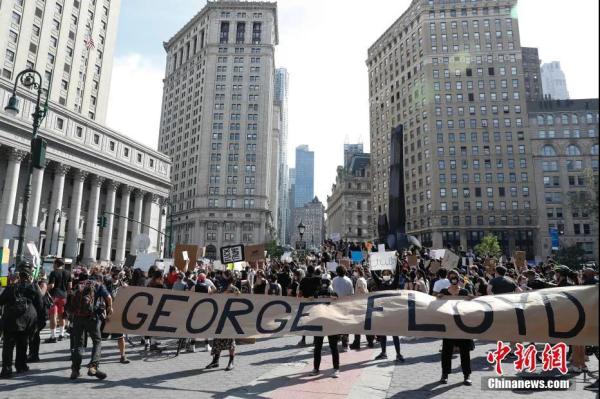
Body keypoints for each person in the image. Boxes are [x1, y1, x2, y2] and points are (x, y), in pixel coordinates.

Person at [67, 270, 113, 380]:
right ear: (100, 279)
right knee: (97, 341)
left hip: (78, 317)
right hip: (92, 318)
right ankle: (93, 367)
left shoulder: (80, 284)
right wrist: (109, 308)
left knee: (78, 344)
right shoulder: (99, 285)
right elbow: (109, 298)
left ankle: (75, 370)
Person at [0, 262, 44, 378]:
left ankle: (6, 369)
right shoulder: (33, 288)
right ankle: (21, 366)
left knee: (8, 346)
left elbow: (1, 301)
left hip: (11, 320)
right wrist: (40, 320)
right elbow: (40, 304)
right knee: (22, 343)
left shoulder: (12, 287)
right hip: (27, 320)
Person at [437, 269, 473, 386]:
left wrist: (470, 299)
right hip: (449, 326)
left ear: (458, 279)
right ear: (449, 279)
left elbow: (470, 308)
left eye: (455, 277)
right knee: (446, 352)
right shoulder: (444, 292)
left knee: (465, 352)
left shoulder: (464, 292)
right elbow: (435, 305)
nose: (454, 279)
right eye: (451, 277)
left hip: (462, 327)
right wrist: (438, 298)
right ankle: (445, 375)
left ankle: (466, 376)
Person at [371, 259, 405, 362]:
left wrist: (397, 261)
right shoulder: (380, 282)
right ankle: (383, 352)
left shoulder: (393, 283)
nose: (386, 274)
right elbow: (373, 273)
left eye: (388, 273)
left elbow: (398, 273)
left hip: (392, 312)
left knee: (395, 334)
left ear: (391, 274)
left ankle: (398, 354)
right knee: (382, 333)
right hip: (382, 311)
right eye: (384, 273)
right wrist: (371, 261)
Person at [206, 270, 239, 371]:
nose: (221, 278)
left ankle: (231, 362)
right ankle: (215, 361)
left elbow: (239, 298)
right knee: (217, 339)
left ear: (228, 278)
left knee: (230, 340)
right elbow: (211, 294)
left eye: (223, 276)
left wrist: (231, 292)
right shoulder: (220, 287)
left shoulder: (233, 288)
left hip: (229, 318)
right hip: (219, 317)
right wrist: (211, 292)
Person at [310, 273, 340, 378]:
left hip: (324, 323)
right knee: (330, 347)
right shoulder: (327, 294)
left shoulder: (330, 294)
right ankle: (333, 368)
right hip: (326, 323)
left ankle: (318, 368)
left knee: (321, 347)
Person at [45, 258, 72, 343]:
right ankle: (61, 334)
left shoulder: (54, 272)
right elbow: (70, 286)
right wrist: (66, 294)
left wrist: (45, 290)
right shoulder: (68, 273)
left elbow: (52, 285)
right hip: (63, 296)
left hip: (54, 296)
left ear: (56, 264)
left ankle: (53, 336)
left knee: (53, 315)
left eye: (54, 264)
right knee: (62, 315)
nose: (53, 265)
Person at [297, 265, 321, 346]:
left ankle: (303, 340)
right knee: (315, 321)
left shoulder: (304, 280)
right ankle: (315, 340)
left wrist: (297, 301)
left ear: (307, 271)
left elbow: (300, 293)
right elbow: (320, 291)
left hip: (305, 303)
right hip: (315, 304)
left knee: (305, 322)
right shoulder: (318, 280)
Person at [331, 265, 354, 351]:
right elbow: (351, 294)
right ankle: (345, 344)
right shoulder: (348, 280)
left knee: (337, 322)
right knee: (346, 323)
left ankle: (337, 339)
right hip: (346, 305)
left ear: (337, 272)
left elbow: (332, 291)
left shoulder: (334, 280)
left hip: (336, 304)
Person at [350, 266, 369, 350]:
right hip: (362, 303)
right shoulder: (363, 279)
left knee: (357, 324)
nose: (354, 272)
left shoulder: (360, 280)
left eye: (355, 271)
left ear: (358, 271)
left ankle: (357, 342)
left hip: (359, 303)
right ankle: (369, 340)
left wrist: (365, 295)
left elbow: (362, 290)